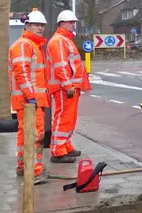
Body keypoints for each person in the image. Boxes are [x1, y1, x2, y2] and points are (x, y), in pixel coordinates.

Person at [8, 10, 49, 180]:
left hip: (29, 100)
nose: (40, 28)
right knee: (34, 134)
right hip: (29, 101)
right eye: (36, 25)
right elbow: (22, 73)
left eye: (42, 25)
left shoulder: (30, 45)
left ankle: (24, 167)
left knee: (26, 134)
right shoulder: (25, 45)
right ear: (27, 26)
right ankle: (33, 171)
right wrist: (31, 96)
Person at [46, 10, 90, 163]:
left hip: (69, 86)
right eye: (71, 22)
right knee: (63, 117)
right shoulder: (59, 41)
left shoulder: (64, 40)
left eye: (74, 22)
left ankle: (65, 145)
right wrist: (67, 85)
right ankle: (58, 151)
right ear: (62, 23)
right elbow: (61, 66)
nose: (73, 25)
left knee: (69, 118)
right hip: (64, 87)